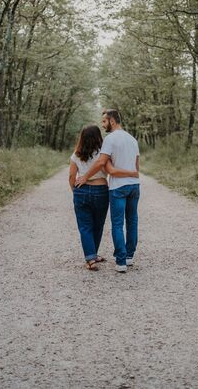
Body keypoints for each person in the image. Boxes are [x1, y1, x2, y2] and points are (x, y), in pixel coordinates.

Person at [75, 110, 140, 273]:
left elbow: (101, 163)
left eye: (104, 122)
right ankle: (129, 256)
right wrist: (131, 174)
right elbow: (136, 168)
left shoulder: (110, 139)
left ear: (112, 121)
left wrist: (84, 177)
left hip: (118, 187)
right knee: (132, 221)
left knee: (118, 224)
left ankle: (121, 262)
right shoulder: (133, 139)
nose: (103, 125)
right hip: (134, 186)